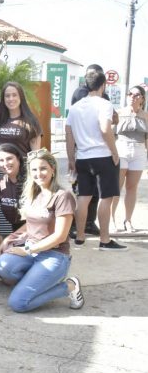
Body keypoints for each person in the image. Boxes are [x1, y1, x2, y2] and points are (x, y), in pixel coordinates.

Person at [0, 149, 84, 312]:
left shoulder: (62, 196)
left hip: (54, 255)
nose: (38, 173)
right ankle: (35, 281)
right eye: (34, 169)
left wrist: (27, 250)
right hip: (32, 251)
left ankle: (69, 286)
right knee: (1, 265)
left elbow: (60, 236)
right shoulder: (34, 193)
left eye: (43, 168)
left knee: (18, 304)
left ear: (52, 169)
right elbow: (30, 224)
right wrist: (10, 238)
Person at [65, 69, 127, 250]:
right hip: (103, 156)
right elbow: (105, 129)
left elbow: (69, 133)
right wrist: (114, 152)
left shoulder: (75, 107)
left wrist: (71, 158)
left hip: (82, 158)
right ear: (103, 85)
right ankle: (104, 240)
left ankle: (80, 237)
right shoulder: (104, 104)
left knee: (83, 197)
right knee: (105, 198)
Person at [69, 64, 109, 237]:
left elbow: (110, 119)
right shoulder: (80, 93)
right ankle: (76, 226)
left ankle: (90, 223)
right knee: (81, 191)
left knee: (96, 192)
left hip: (100, 150)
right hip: (82, 149)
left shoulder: (104, 96)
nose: (92, 77)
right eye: (90, 74)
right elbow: (73, 123)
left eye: (95, 74)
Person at [111, 85, 147, 232]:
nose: (133, 97)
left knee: (132, 188)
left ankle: (128, 220)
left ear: (142, 99)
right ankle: (111, 220)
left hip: (139, 152)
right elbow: (110, 135)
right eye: (130, 94)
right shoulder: (118, 113)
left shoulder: (146, 116)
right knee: (116, 187)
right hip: (121, 150)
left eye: (137, 95)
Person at [0, 82, 42, 155]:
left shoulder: (30, 121)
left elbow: (35, 153)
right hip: (0, 162)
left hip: (22, 162)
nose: (11, 99)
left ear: (21, 97)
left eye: (14, 95)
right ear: (3, 99)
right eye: (7, 96)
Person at [0, 143, 26, 234]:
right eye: (1, 160)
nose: (5, 163)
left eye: (9, 158)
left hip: (37, 228)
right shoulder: (0, 183)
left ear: (18, 158)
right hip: (16, 229)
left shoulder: (32, 181)